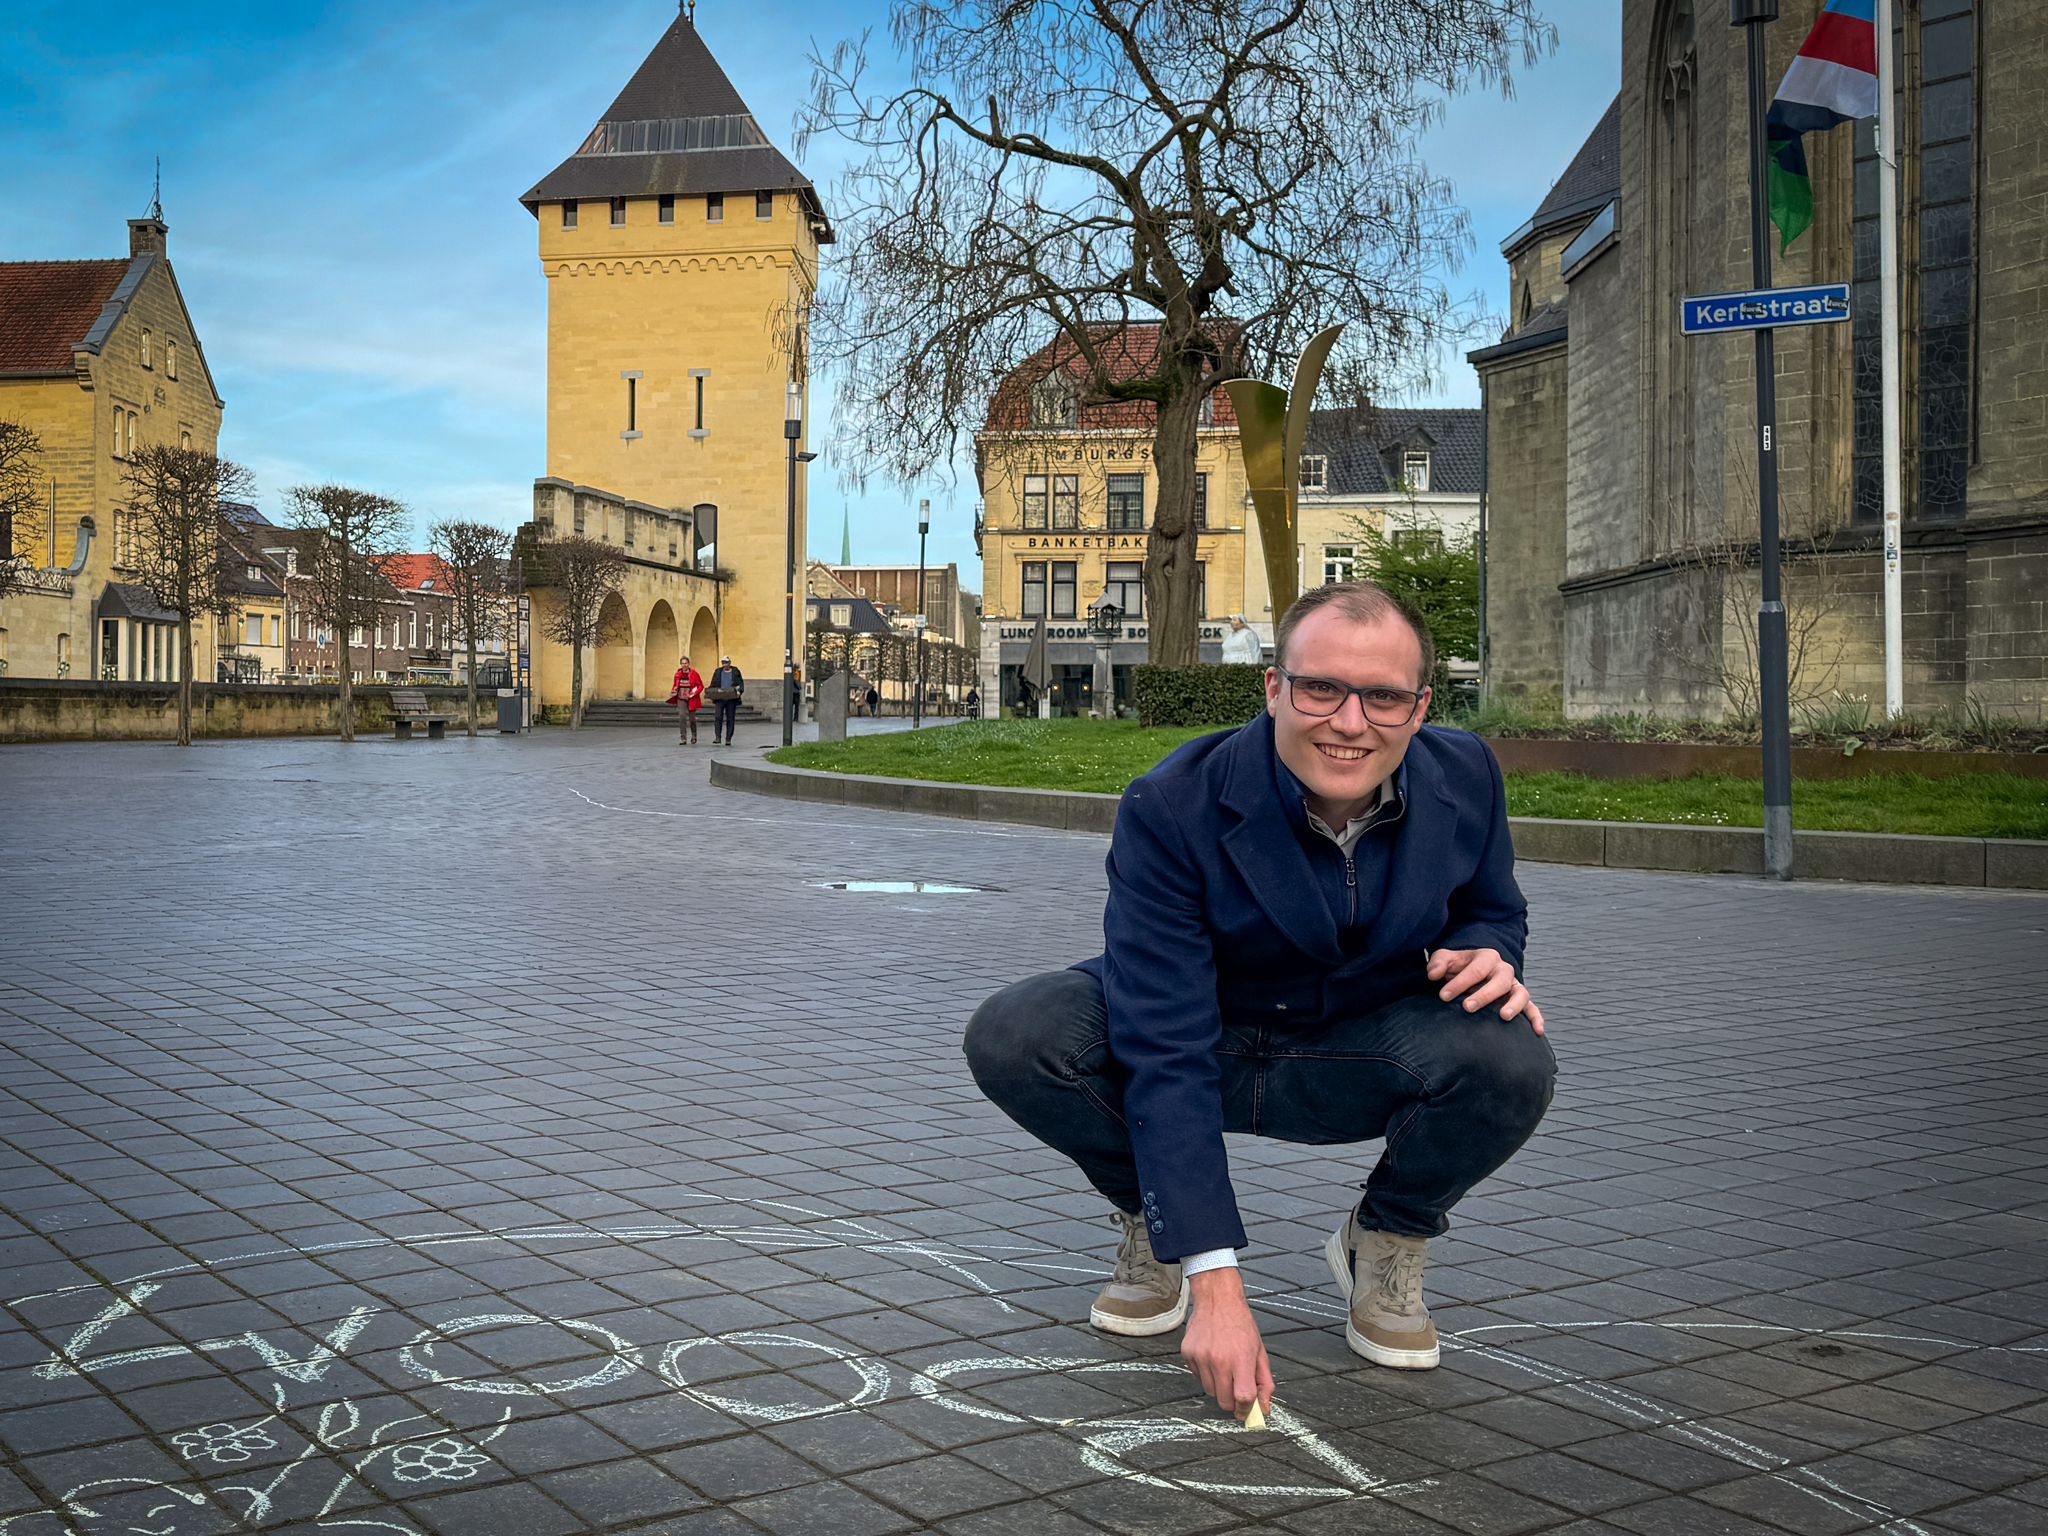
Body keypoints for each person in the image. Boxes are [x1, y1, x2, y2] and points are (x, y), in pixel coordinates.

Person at [964, 581, 1554, 1427]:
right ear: (1274, 687)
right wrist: (1217, 1281)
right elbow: (1162, 1044)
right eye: (1321, 688)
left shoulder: (1467, 774)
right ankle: (1157, 1219)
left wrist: (1493, 952)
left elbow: (1493, 904)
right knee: (1021, 1034)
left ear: (1421, 708)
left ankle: (1385, 1235)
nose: (1350, 723)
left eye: (1383, 696)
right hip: (1204, 1035)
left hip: (1362, 1043)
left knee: (1512, 1056)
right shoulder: (1171, 804)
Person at [707, 655, 744, 745]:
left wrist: (739, 691)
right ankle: (718, 737)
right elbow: (713, 684)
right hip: (720, 698)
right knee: (718, 717)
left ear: (730, 663)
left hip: (731, 698)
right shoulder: (718, 672)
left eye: (726, 662)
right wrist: (712, 691)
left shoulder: (735, 671)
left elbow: (740, 683)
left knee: (730, 718)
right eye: (723, 662)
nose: (725, 664)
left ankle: (728, 738)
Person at [668, 654, 704, 745]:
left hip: (691, 698)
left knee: (692, 719)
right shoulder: (677, 674)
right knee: (682, 716)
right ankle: (683, 738)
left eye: (686, 663)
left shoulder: (694, 674)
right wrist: (674, 690)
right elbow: (675, 685)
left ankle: (694, 735)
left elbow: (700, 686)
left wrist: (694, 693)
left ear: (689, 664)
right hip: (681, 698)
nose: (684, 665)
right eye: (682, 663)